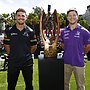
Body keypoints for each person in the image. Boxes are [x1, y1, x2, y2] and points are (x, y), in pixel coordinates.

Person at [3, 8, 37, 90]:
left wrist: (26, 54)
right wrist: (13, 55)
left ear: (26, 17)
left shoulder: (31, 31)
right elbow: (6, 46)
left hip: (27, 63)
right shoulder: (9, 31)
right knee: (11, 86)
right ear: (15, 17)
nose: (20, 17)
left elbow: (34, 47)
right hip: (13, 63)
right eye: (18, 15)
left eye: (23, 16)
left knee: (29, 86)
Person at [60, 8, 90, 90]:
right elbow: (62, 44)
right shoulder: (63, 31)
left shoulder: (84, 31)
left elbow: (88, 45)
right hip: (66, 62)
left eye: (74, 15)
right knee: (64, 85)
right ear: (67, 17)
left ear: (77, 17)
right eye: (69, 15)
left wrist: (81, 53)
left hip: (79, 62)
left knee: (80, 86)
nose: (72, 17)